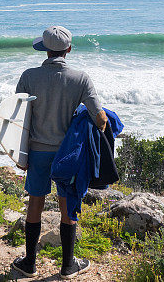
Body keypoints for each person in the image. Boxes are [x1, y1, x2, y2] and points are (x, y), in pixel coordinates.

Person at [11, 26, 108, 279]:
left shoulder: (29, 76)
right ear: (69, 49)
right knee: (67, 207)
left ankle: (29, 264)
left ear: (45, 49)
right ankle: (67, 267)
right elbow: (100, 117)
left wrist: (19, 155)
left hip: (37, 151)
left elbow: (17, 116)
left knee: (35, 203)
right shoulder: (81, 78)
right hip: (68, 155)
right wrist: (94, 125)